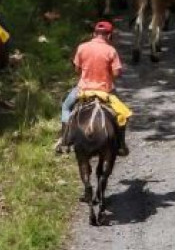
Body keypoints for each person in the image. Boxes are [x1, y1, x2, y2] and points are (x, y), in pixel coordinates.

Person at [54, 20, 132, 156]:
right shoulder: (111, 50)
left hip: (82, 90)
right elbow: (116, 73)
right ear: (109, 36)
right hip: (105, 91)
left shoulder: (82, 47)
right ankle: (121, 144)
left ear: (94, 34)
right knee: (122, 114)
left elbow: (77, 68)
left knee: (66, 107)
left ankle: (65, 141)